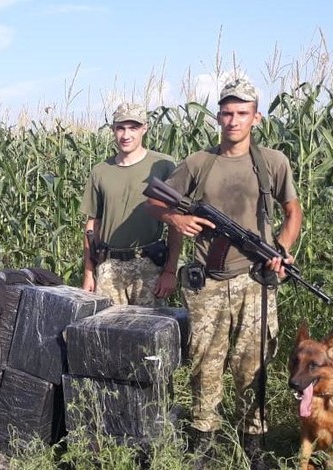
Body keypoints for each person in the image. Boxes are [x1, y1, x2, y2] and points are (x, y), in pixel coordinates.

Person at [145, 78, 301, 469]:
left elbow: (292, 212)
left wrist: (281, 249)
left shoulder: (272, 162)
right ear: (218, 116)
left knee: (255, 363)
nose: (233, 120)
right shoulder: (200, 162)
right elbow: (153, 200)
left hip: (256, 280)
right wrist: (175, 218)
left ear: (256, 118)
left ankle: (254, 445)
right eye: (227, 113)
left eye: (242, 113)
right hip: (207, 283)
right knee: (205, 362)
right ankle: (203, 442)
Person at [80, 102, 182, 306]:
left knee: (149, 332)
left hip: (149, 267)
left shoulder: (163, 166)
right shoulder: (100, 171)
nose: (126, 135)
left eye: (133, 128)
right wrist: (89, 274)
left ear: (145, 128)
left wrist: (170, 271)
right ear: (113, 130)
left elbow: (175, 223)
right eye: (120, 128)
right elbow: (92, 225)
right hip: (109, 268)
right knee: (106, 332)